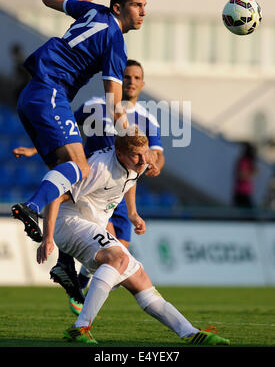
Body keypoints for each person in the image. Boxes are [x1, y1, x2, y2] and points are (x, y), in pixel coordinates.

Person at [37, 127, 230, 346]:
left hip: (92, 223)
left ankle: (190, 333)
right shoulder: (98, 168)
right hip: (69, 222)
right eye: (136, 155)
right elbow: (54, 196)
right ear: (119, 153)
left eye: (145, 153)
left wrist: (133, 213)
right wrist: (48, 238)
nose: (142, 160)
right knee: (118, 258)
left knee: (140, 280)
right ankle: (80, 327)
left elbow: (130, 180)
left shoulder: (138, 163)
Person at [13, 59, 165, 310]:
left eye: (137, 78)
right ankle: (71, 276)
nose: (131, 82)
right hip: (91, 186)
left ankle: (78, 283)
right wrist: (33, 149)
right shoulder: (94, 106)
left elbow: (156, 154)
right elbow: (61, 131)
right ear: (117, 80)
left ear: (143, 84)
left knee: (120, 255)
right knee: (108, 250)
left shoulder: (146, 118)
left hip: (121, 191)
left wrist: (154, 164)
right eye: (126, 77)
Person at [11, 0, 148, 243]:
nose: (143, 12)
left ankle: (61, 257)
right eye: (136, 5)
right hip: (51, 91)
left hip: (32, 94)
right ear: (118, 7)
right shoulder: (115, 42)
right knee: (80, 168)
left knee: (71, 185)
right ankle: (31, 207)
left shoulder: (93, 12)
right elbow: (114, 103)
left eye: (144, 6)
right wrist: (133, 138)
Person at [233, 142, 258, 208]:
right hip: (241, 192)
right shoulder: (244, 161)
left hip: (246, 192)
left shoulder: (250, 162)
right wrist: (251, 174)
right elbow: (241, 175)